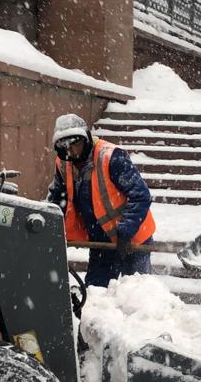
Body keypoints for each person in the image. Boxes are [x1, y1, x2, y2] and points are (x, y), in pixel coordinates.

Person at [46, 113, 156, 287]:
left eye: (77, 144)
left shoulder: (111, 157)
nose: (72, 152)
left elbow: (140, 194)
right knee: (95, 292)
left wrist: (126, 230)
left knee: (137, 295)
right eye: (66, 147)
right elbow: (58, 199)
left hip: (132, 239)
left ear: (87, 139)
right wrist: (47, 226)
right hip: (100, 241)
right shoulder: (62, 164)